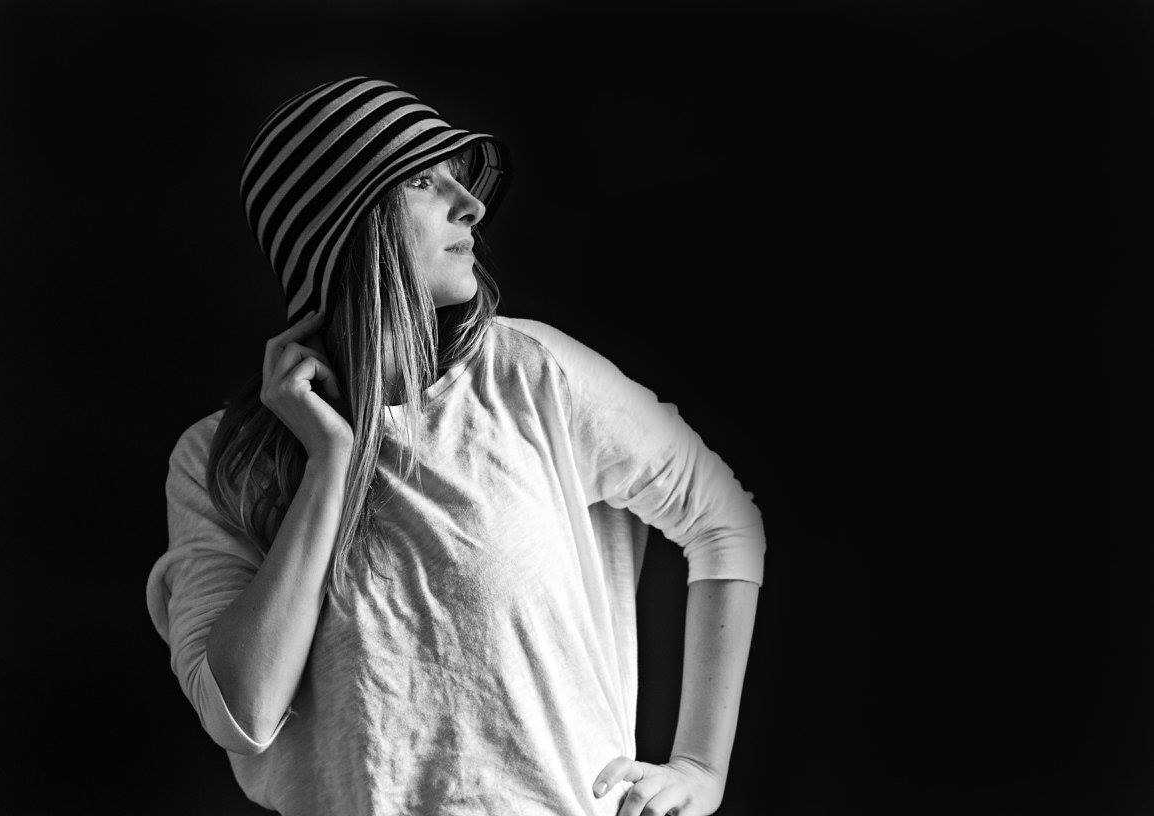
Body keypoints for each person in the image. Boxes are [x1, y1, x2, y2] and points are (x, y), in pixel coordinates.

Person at [145, 75, 766, 816]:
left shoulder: (529, 373)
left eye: (458, 177)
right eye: (421, 180)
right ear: (340, 226)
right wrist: (330, 462)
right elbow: (240, 715)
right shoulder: (218, 459)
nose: (470, 204)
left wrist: (699, 767)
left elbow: (724, 521)